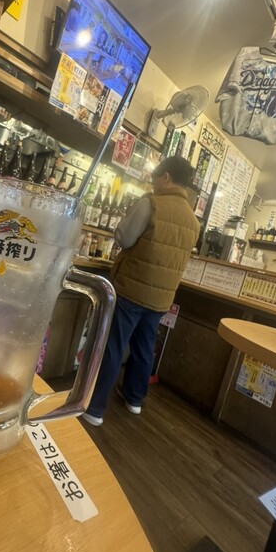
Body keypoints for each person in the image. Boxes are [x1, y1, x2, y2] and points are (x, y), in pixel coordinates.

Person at [82, 155, 200, 426]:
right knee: (145, 347)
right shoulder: (194, 221)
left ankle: (94, 409)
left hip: (132, 289)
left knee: (114, 346)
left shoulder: (151, 203)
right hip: (162, 297)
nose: (153, 184)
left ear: (166, 177)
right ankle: (134, 399)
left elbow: (124, 237)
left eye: (155, 179)